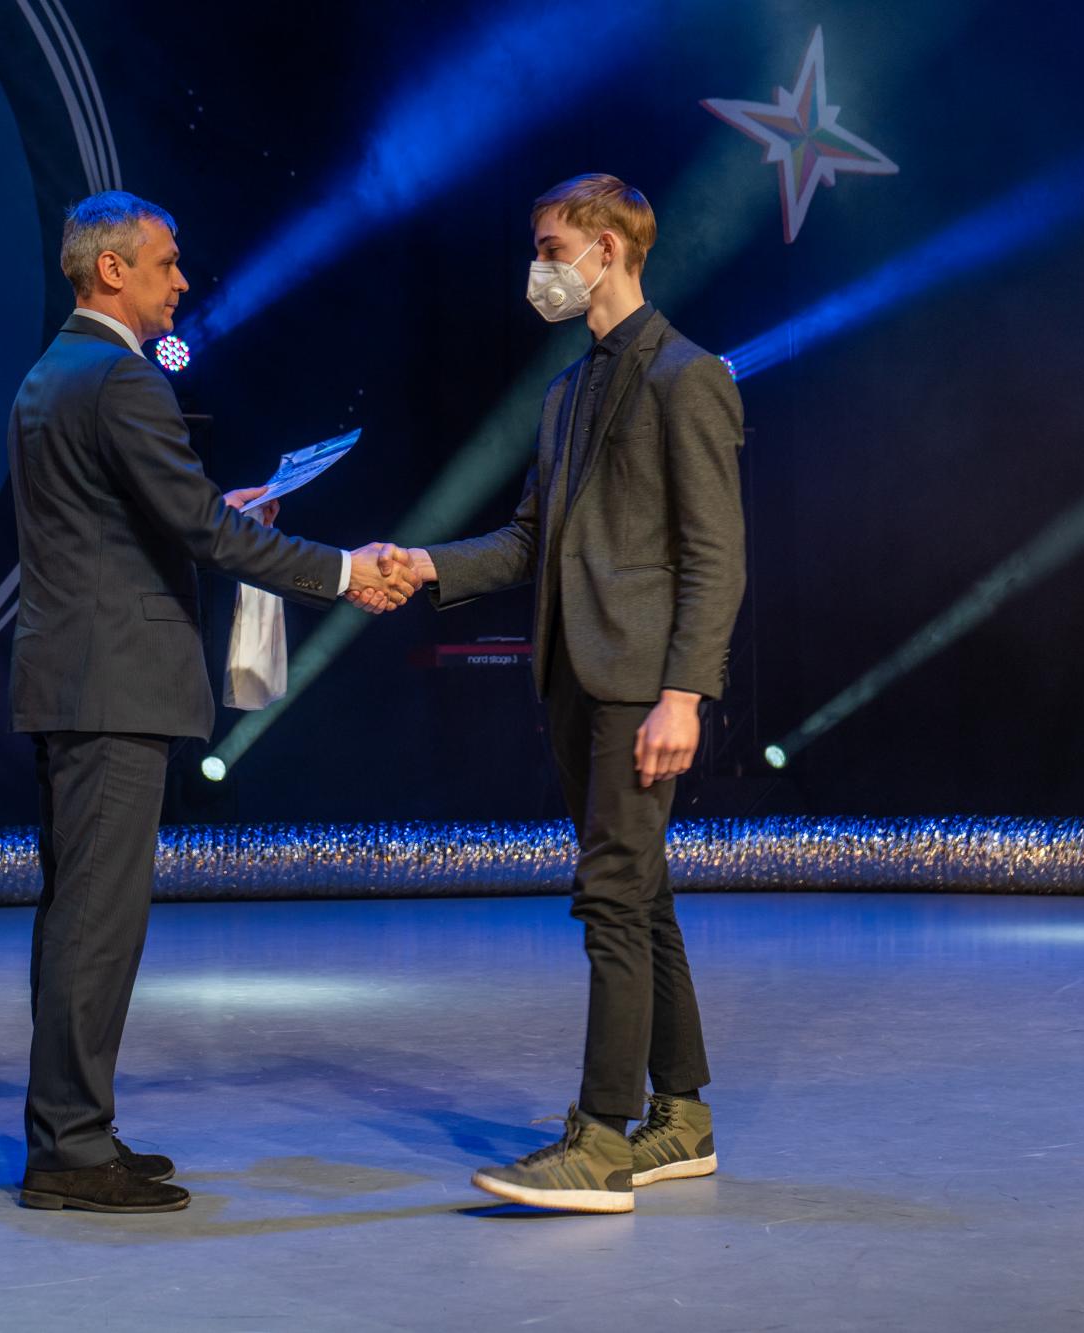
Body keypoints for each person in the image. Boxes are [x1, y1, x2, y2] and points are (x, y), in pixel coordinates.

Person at [8, 190, 415, 1214]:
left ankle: (74, 1125)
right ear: (112, 270)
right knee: (98, 921)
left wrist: (210, 511)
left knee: (77, 914)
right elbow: (203, 532)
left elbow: (129, 518)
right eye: (166, 262)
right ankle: (69, 1150)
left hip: (74, 675)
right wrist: (342, 570)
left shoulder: (54, 372)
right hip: (113, 684)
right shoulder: (121, 378)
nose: (182, 281)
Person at [404, 174, 746, 1214]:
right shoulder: (564, 392)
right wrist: (422, 566)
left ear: (608, 249)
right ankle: (680, 1118)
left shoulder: (686, 376)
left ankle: (600, 1140)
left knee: (609, 893)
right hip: (572, 677)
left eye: (550, 247)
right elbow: (527, 541)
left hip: (639, 684)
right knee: (640, 891)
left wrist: (682, 693)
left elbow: (715, 555)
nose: (538, 268)